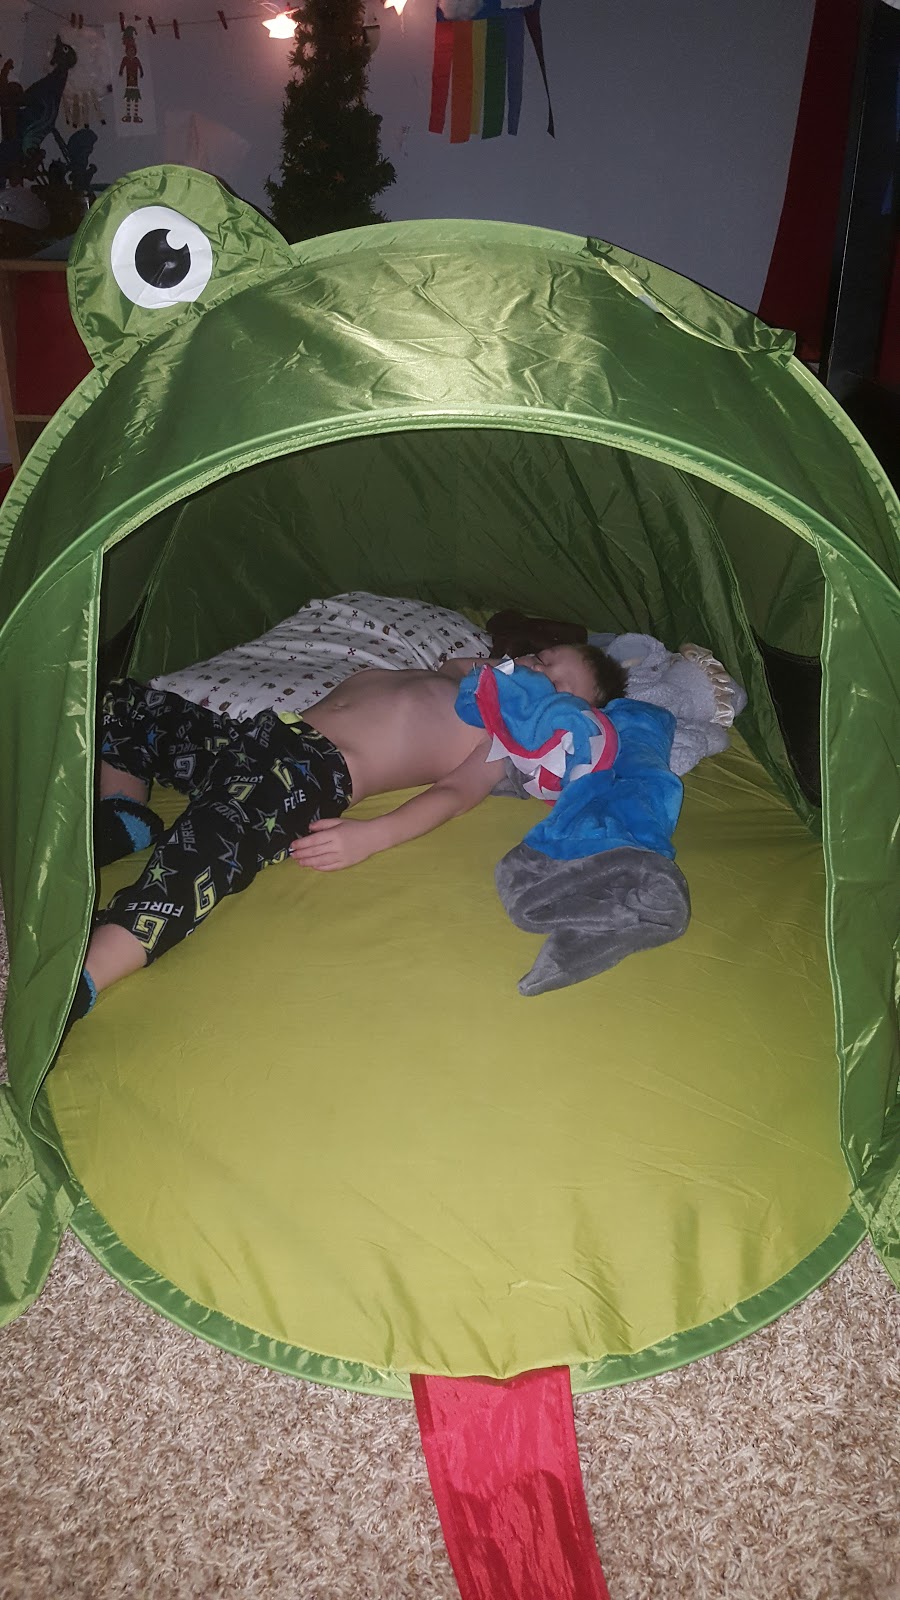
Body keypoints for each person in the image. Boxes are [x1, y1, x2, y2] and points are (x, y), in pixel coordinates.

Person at [68, 643, 625, 1025]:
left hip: (305, 774)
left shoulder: (499, 742)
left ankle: (88, 974)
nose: (538, 673)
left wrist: (371, 836)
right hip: (258, 736)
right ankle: (126, 812)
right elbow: (456, 660)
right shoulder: (459, 681)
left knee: (203, 853)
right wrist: (490, 667)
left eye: (558, 685)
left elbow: (453, 796)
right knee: (123, 705)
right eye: (541, 658)